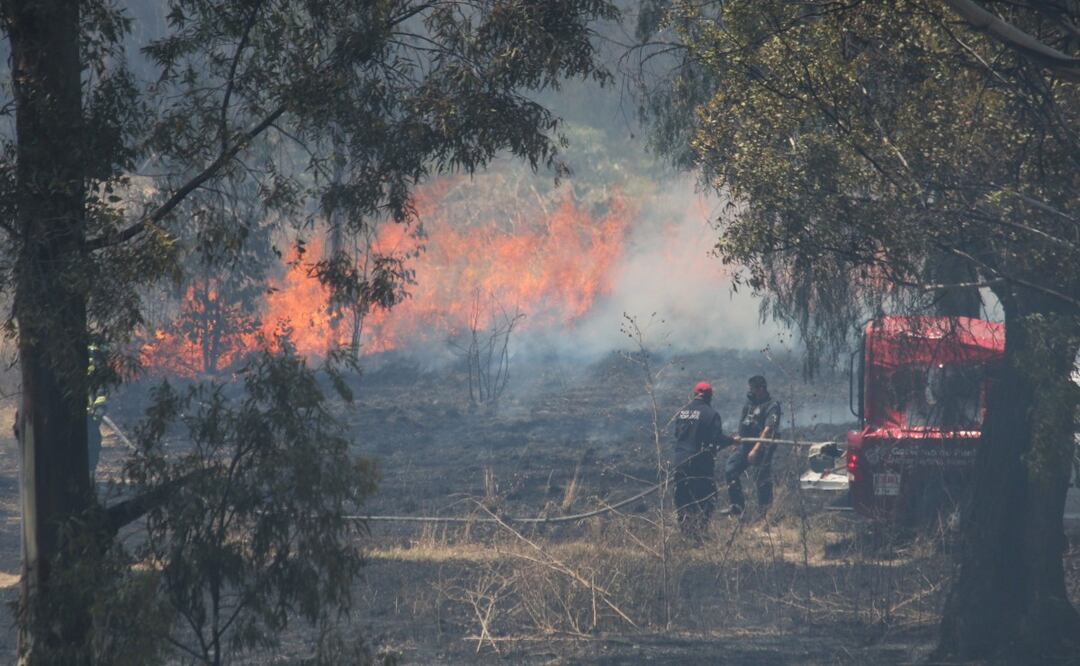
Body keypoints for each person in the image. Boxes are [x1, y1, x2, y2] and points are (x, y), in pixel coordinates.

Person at [672, 381, 735, 539]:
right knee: (707, 496)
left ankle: (686, 534)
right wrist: (732, 440)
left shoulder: (682, 412)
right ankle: (699, 533)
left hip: (679, 460)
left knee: (683, 497)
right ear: (710, 397)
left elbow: (677, 435)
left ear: (694, 394)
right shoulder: (711, 414)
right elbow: (716, 438)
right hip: (699, 462)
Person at [721, 375, 781, 518]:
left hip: (763, 446)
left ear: (761, 389)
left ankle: (765, 514)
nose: (751, 392)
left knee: (762, 478)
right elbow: (743, 423)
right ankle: (737, 506)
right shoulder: (749, 403)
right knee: (731, 469)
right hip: (746, 445)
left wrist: (755, 449)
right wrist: (738, 442)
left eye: (753, 389)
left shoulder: (772, 405)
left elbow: (768, 430)